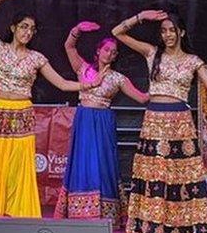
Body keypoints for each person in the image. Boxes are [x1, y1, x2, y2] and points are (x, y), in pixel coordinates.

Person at [0, 0, 96, 233]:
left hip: (22, 114)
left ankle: (18, 222)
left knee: (19, 168)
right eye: (23, 27)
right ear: (13, 28)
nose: (27, 32)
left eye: (31, 29)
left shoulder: (37, 58)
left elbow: (61, 83)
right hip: (0, 112)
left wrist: (88, 85)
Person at [112, 10, 207, 233]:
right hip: (154, 122)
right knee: (154, 178)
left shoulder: (193, 61)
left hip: (180, 123)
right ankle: (151, 232)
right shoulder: (152, 53)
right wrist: (141, 17)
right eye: (163, 31)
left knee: (180, 180)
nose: (168, 35)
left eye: (172, 30)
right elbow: (117, 33)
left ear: (181, 32)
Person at [54, 21, 148, 222]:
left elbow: (142, 98)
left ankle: (106, 212)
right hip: (85, 119)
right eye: (107, 50)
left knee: (103, 162)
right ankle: (80, 211)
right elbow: (68, 47)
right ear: (98, 51)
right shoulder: (83, 69)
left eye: (114, 52)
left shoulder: (118, 78)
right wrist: (76, 30)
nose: (110, 54)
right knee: (83, 161)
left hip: (103, 122)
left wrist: (163, 86)